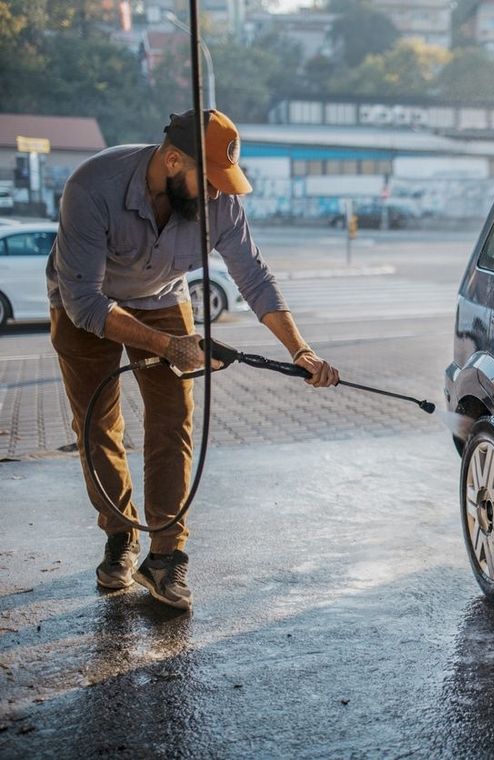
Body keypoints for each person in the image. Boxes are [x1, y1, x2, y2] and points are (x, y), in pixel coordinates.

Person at [46, 109, 339, 611]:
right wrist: (168, 346)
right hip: (84, 304)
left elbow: (255, 278)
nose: (215, 194)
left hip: (161, 298)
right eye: (207, 181)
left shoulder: (220, 202)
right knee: (97, 424)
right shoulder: (93, 186)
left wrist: (301, 349)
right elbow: (86, 303)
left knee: (174, 420)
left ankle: (164, 557)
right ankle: (120, 536)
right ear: (173, 159)